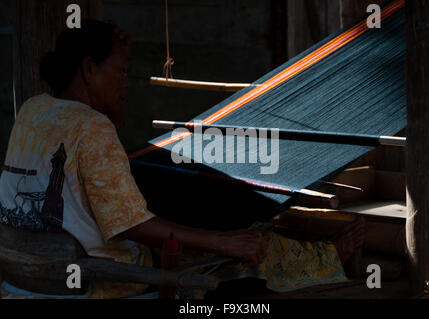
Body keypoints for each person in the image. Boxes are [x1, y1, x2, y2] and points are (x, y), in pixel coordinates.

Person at [0, 20, 364, 299]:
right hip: (107, 279)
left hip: (31, 270)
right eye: (122, 70)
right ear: (88, 68)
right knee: (256, 245)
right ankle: (329, 261)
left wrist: (113, 111)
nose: (127, 82)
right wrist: (223, 243)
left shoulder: (34, 110)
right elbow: (129, 227)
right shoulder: (91, 127)